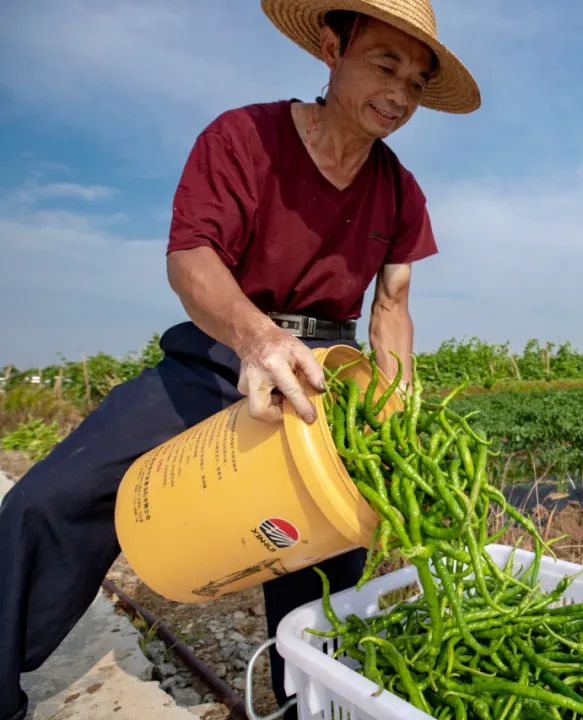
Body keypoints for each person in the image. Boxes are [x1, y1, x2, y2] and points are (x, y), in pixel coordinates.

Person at [0, 2, 479, 718]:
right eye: (386, 65)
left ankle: (305, 704)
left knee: (328, 563)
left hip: (325, 377)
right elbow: (190, 257)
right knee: (52, 500)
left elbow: (392, 307)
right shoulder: (244, 136)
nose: (400, 93)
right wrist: (258, 339)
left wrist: (395, 399)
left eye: (415, 82)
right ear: (330, 49)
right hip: (221, 350)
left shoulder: (400, 189)